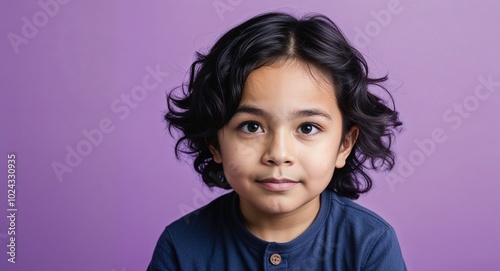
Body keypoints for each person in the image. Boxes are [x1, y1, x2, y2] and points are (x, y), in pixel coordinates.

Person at [148, 11, 407, 270]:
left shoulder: (371, 244)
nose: (278, 153)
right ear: (214, 142)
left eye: (307, 128)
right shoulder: (180, 247)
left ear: (344, 145)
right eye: (252, 127)